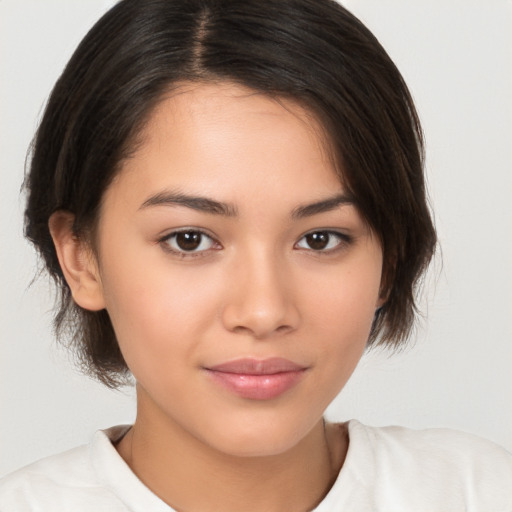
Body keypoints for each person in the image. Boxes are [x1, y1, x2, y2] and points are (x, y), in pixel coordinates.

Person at [1, 0, 511, 510]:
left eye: (320, 239)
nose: (264, 312)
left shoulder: (479, 493)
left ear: (390, 260)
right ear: (81, 257)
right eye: (189, 240)